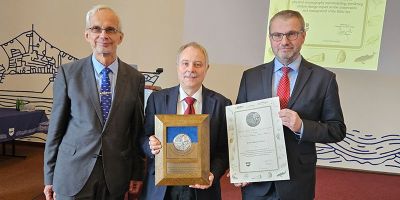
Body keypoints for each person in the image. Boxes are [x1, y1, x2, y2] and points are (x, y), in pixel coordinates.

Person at [234, 10, 346, 200]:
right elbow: (238, 128)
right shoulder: (250, 76)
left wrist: (302, 126)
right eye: (277, 35)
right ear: (270, 38)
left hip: (297, 181)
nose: (284, 41)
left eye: (291, 34)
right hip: (257, 181)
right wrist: (240, 168)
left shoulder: (324, 79)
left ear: (303, 36)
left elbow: (337, 129)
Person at [43, 5, 145, 200]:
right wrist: (49, 176)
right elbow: (55, 129)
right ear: (87, 35)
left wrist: (137, 172)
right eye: (96, 29)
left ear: (120, 37)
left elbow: (136, 130)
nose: (103, 35)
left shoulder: (135, 79)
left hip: (115, 175)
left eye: (110, 29)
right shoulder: (68, 74)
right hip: (72, 172)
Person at [140, 42, 232, 200]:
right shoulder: (157, 99)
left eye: (198, 64)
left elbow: (224, 150)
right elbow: (142, 137)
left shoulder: (222, 104)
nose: (191, 69)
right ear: (177, 66)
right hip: (161, 189)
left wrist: (213, 174)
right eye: (185, 63)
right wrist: (150, 145)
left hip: (202, 189)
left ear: (206, 68)